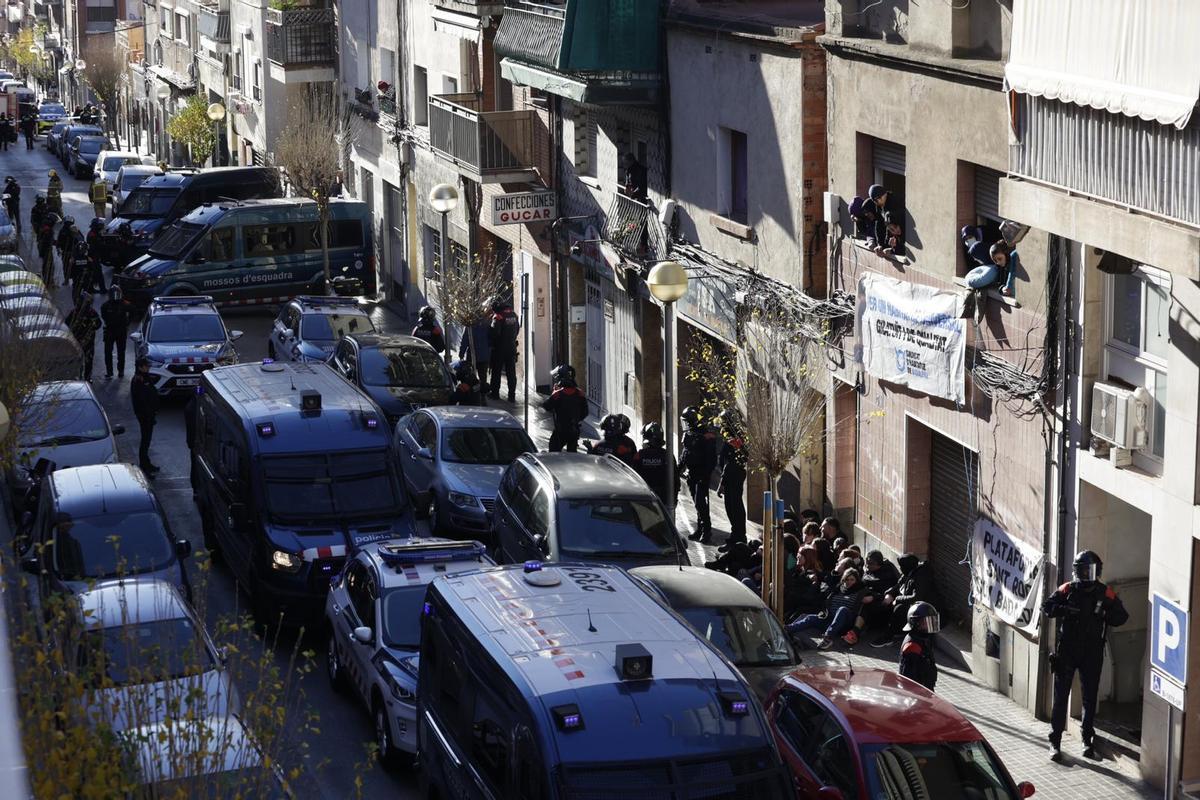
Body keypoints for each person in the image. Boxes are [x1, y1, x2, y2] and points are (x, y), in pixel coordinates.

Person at [1044, 550, 1129, 761]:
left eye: (1089, 570)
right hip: (1068, 651)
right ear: (1076, 571)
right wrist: (1065, 610)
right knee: (1061, 697)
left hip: (1091, 653)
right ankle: (1055, 741)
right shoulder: (1068, 589)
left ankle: (1086, 740)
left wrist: (1105, 615)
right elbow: (1048, 607)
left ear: (1096, 571)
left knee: (1089, 699)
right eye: (1082, 570)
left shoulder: (1104, 592)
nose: (1085, 574)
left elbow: (1122, 616)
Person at [787, 567, 868, 650]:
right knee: (810, 618)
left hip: (845, 623)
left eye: (852, 580)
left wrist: (871, 597)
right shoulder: (838, 589)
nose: (849, 582)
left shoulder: (860, 591)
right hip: (829, 619)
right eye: (847, 579)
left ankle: (828, 638)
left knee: (842, 609)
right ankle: (786, 630)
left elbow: (876, 595)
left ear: (856, 580)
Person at [870, 553, 934, 647]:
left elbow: (916, 598)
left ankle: (888, 637)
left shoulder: (920, 577)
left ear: (907, 566)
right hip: (911, 601)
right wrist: (890, 592)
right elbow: (900, 583)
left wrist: (898, 599)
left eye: (901, 566)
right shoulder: (909, 572)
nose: (900, 569)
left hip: (923, 608)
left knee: (899, 608)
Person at [679, 406, 718, 543]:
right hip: (691, 474)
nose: (686, 424)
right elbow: (685, 453)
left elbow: (711, 459)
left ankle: (706, 531)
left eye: (688, 421)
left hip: (701, 475)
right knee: (696, 503)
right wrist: (680, 468)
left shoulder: (706, 435)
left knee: (702, 503)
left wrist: (705, 475)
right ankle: (700, 529)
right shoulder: (689, 434)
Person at [716, 411, 748, 545]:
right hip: (732, 475)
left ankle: (739, 537)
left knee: (734, 507)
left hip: (733, 476)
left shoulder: (735, 439)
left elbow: (730, 463)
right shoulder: (733, 436)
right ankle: (736, 535)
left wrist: (722, 482)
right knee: (731, 507)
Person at [544, 364, 588, 452]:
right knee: (572, 454)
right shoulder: (579, 393)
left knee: (553, 452)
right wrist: (575, 419)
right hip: (574, 430)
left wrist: (554, 392)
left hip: (560, 431)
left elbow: (547, 406)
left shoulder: (558, 394)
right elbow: (585, 412)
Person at [634, 422, 678, 510]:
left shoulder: (639, 455)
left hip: (644, 497)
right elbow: (675, 479)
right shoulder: (668, 455)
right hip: (664, 499)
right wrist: (674, 497)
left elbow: (633, 476)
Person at [898, 601, 940, 692]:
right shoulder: (912, 646)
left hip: (925, 689)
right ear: (915, 623)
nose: (929, 626)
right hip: (917, 693)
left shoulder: (923, 639)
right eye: (926, 622)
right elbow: (909, 678)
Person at [131, 356, 161, 476]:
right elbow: (142, 400)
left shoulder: (145, 377)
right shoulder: (139, 380)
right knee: (145, 440)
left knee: (147, 440)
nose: (148, 368)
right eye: (146, 366)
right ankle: (144, 465)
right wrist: (149, 414)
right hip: (145, 415)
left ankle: (147, 463)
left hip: (149, 414)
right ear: (140, 367)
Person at [859, 550, 901, 630]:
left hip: (882, 600)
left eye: (871, 564)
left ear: (879, 564)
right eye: (866, 562)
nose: (867, 566)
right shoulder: (869, 571)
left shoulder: (888, 572)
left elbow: (897, 585)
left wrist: (874, 597)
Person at [488, 299, 520, 402]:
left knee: (496, 371)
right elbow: (517, 330)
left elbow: (495, 334)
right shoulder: (514, 315)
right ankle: (512, 396)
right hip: (511, 347)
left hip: (499, 349)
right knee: (511, 372)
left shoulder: (498, 316)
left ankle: (495, 394)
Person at [64, 292, 100, 381]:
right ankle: (76, 377)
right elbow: (67, 324)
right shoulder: (74, 312)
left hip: (88, 341)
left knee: (89, 359)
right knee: (76, 359)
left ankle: (87, 377)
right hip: (77, 340)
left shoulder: (92, 313)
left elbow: (98, 324)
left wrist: (91, 326)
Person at [99, 286, 132, 378]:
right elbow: (104, 316)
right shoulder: (106, 306)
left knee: (120, 352)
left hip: (120, 331)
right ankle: (110, 371)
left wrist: (127, 323)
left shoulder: (125, 304)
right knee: (109, 352)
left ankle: (120, 370)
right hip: (111, 331)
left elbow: (133, 311)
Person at [457, 318, 492, 390]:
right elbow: (491, 339)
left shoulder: (469, 325)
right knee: (483, 376)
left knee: (471, 376)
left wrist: (461, 353)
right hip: (484, 355)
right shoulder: (487, 324)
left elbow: (464, 341)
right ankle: (482, 395)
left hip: (472, 356)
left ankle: (473, 393)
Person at [37, 212, 57, 287]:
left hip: (44, 248)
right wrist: (54, 242)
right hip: (45, 249)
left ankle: (48, 280)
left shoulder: (45, 226)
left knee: (47, 265)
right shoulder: (47, 229)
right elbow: (46, 240)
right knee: (49, 265)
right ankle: (47, 281)